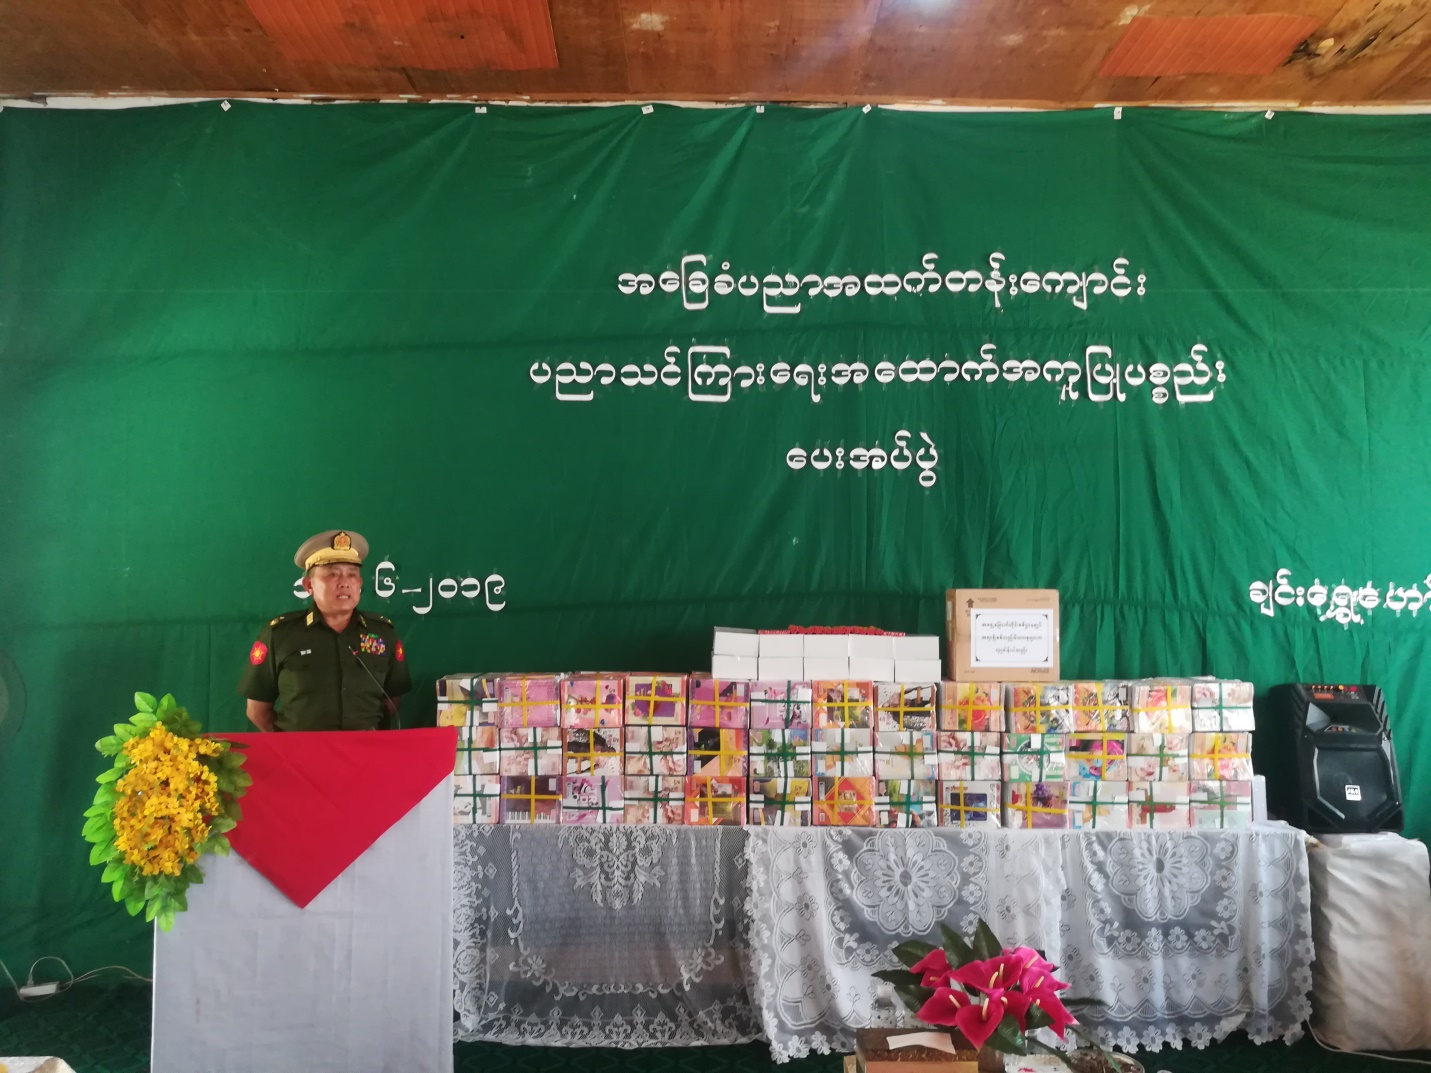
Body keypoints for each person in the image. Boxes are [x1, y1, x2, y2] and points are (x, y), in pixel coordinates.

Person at [239, 530, 410, 731]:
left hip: (365, 748)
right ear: (308, 585)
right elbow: (257, 710)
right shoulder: (279, 634)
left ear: (360, 583)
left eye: (352, 575)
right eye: (333, 574)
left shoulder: (383, 632)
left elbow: (392, 702)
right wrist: (287, 746)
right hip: (302, 750)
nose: (345, 582)